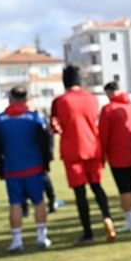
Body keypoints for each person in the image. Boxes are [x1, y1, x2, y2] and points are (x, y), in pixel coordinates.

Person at [51, 65, 116, 244]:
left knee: (80, 193)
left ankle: (88, 233)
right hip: (92, 147)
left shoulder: (59, 101)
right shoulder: (92, 98)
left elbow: (54, 126)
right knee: (97, 186)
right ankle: (107, 216)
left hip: (72, 151)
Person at [0, 86, 53, 253]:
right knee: (39, 201)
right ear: (26, 99)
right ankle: (42, 237)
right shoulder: (35, 119)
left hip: (12, 169)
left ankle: (17, 240)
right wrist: (46, 165)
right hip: (34, 168)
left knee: (15, 204)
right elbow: (45, 143)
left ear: (10, 99)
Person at [99, 81, 131, 232]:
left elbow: (103, 135)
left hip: (117, 156)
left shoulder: (108, 109)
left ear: (110, 92)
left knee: (124, 189)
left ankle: (130, 221)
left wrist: (103, 154)